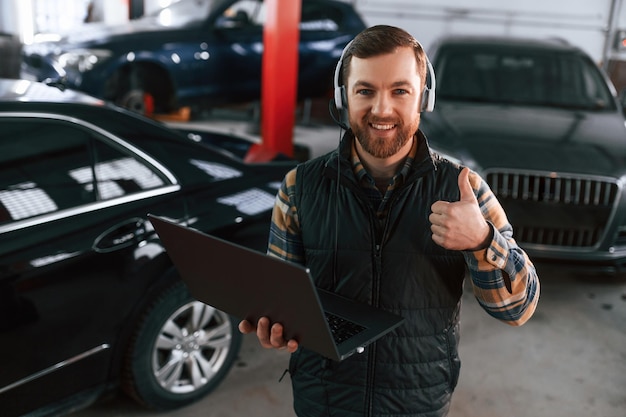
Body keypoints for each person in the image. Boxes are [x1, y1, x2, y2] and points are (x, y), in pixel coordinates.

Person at [239, 24, 540, 417]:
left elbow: (518, 309)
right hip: (323, 400)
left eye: (400, 91)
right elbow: (280, 295)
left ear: (423, 100)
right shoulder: (299, 187)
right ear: (342, 97)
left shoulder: (464, 189)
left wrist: (483, 240)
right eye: (365, 91)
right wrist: (274, 322)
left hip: (418, 401)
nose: (382, 109)